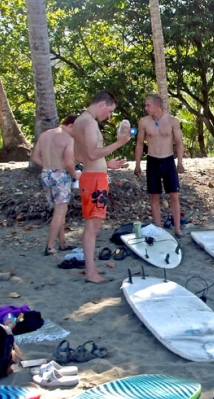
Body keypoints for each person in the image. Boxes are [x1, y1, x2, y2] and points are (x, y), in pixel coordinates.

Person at [73, 91, 131, 283]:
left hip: (92, 176)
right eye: (110, 111)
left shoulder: (81, 121)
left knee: (93, 225)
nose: (109, 116)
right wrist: (119, 143)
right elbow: (90, 154)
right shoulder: (88, 122)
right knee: (93, 226)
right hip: (93, 180)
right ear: (103, 104)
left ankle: (91, 267)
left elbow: (81, 157)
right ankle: (90, 273)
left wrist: (106, 165)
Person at [134, 94, 186, 236]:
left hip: (168, 160)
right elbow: (139, 143)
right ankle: (158, 228)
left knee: (174, 195)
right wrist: (137, 164)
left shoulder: (172, 121)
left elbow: (180, 142)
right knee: (154, 196)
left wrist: (180, 162)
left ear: (157, 106)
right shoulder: (144, 122)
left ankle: (177, 228)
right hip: (152, 161)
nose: (146, 108)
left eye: (148, 105)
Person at [31, 114, 80, 256]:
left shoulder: (45, 135)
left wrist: (48, 167)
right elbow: (68, 163)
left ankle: (63, 241)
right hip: (60, 175)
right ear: (71, 125)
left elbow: (35, 158)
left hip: (46, 174)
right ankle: (50, 246)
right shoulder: (68, 139)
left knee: (58, 211)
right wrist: (74, 174)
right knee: (59, 213)